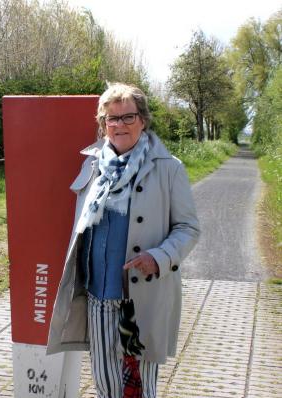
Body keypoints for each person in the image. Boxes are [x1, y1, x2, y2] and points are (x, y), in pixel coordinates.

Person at [46, 82, 200, 398]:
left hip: (137, 301)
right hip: (97, 297)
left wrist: (158, 257)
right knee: (106, 384)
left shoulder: (168, 169)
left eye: (127, 117)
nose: (119, 125)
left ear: (143, 120)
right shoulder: (92, 165)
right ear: (103, 126)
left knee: (137, 388)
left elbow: (188, 228)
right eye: (111, 119)